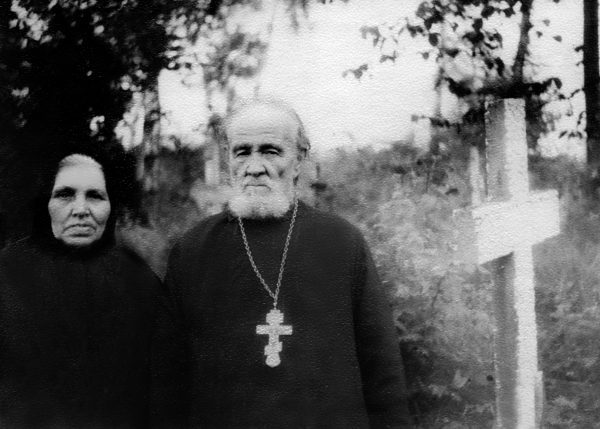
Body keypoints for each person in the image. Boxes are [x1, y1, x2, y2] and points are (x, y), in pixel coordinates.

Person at [152, 99, 413, 428]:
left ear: (299, 159)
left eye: (271, 151)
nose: (255, 166)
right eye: (242, 151)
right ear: (228, 158)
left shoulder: (343, 243)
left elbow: (383, 374)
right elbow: (167, 381)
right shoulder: (192, 250)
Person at [0, 151, 161, 428]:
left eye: (95, 196)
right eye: (65, 195)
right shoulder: (7, 273)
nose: (81, 209)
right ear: (44, 203)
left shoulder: (139, 279)